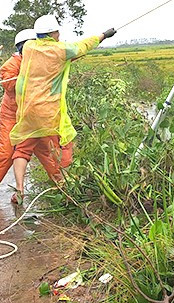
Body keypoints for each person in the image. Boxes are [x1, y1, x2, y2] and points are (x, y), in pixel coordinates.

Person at [8, 15, 116, 203]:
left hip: (26, 109)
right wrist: (103, 35)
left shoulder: (29, 47)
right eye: (57, 32)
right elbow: (82, 47)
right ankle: (65, 187)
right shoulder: (60, 50)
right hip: (47, 111)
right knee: (58, 147)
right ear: (53, 33)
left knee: (22, 150)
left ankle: (19, 190)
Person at [0, 28, 60, 201]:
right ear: (22, 47)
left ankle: (63, 185)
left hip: (34, 117)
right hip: (12, 116)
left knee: (48, 150)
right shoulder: (11, 65)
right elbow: (11, 87)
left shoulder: (42, 61)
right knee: (6, 151)